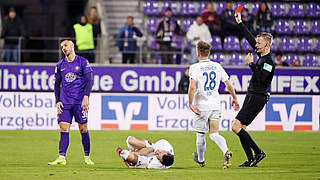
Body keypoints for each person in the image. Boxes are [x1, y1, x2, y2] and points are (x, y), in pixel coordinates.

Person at [188, 41, 240, 169]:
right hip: (216, 104)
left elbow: (192, 88)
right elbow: (228, 84)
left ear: (198, 52)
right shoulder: (217, 66)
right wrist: (234, 98)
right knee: (214, 134)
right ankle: (226, 151)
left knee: (200, 134)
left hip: (202, 106)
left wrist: (190, 103)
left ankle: (201, 160)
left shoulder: (194, 67)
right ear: (208, 52)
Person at [233, 12, 276, 167]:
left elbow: (261, 79)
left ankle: (258, 153)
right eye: (256, 42)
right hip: (253, 95)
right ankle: (251, 160)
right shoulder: (262, 56)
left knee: (235, 126)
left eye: (259, 43)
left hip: (257, 97)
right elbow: (250, 38)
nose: (256, 44)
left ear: (267, 45)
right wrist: (240, 24)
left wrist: (251, 65)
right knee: (242, 128)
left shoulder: (269, 62)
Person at [48, 38, 94, 165]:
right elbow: (57, 85)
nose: (64, 48)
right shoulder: (60, 65)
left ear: (72, 45)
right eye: (62, 46)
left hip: (79, 102)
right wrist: (57, 101)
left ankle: (87, 156)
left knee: (83, 128)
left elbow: (89, 80)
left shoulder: (83, 62)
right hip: (65, 102)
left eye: (66, 45)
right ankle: (61, 157)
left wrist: (86, 97)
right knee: (64, 128)